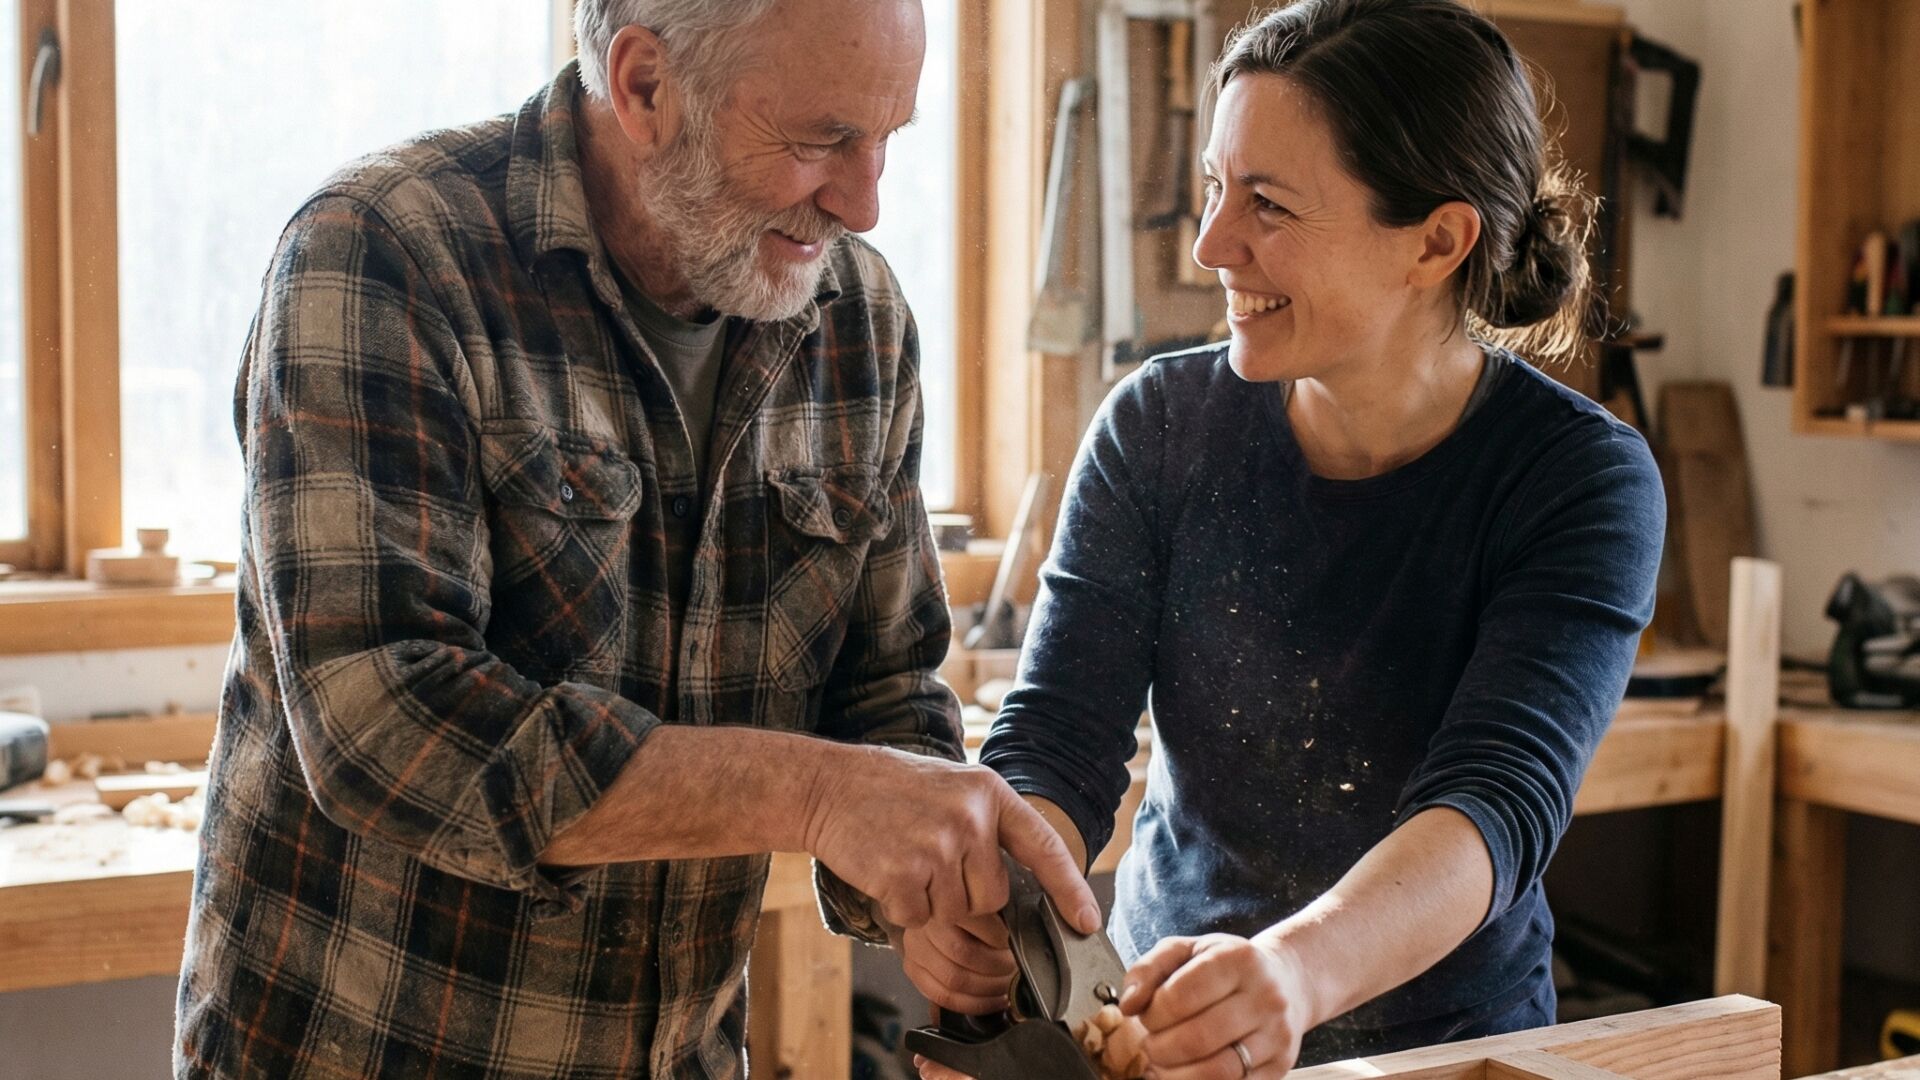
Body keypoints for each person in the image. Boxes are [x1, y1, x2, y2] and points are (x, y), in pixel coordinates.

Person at [174, 2, 1095, 1077]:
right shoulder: (385, 253)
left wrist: (928, 887)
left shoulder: (857, 317)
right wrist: (820, 796)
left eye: (888, 138)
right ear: (646, 85)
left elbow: (884, 690)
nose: (865, 202)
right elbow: (385, 721)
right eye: (820, 140)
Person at [919, 0, 1666, 1076]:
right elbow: (1057, 741)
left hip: (1447, 1054)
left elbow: (1494, 805)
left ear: (1437, 242)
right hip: (1163, 1032)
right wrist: (1006, 900)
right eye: (1215, 187)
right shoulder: (1157, 427)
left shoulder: (1578, 480)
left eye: (1267, 204)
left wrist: (1296, 974)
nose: (1210, 245)